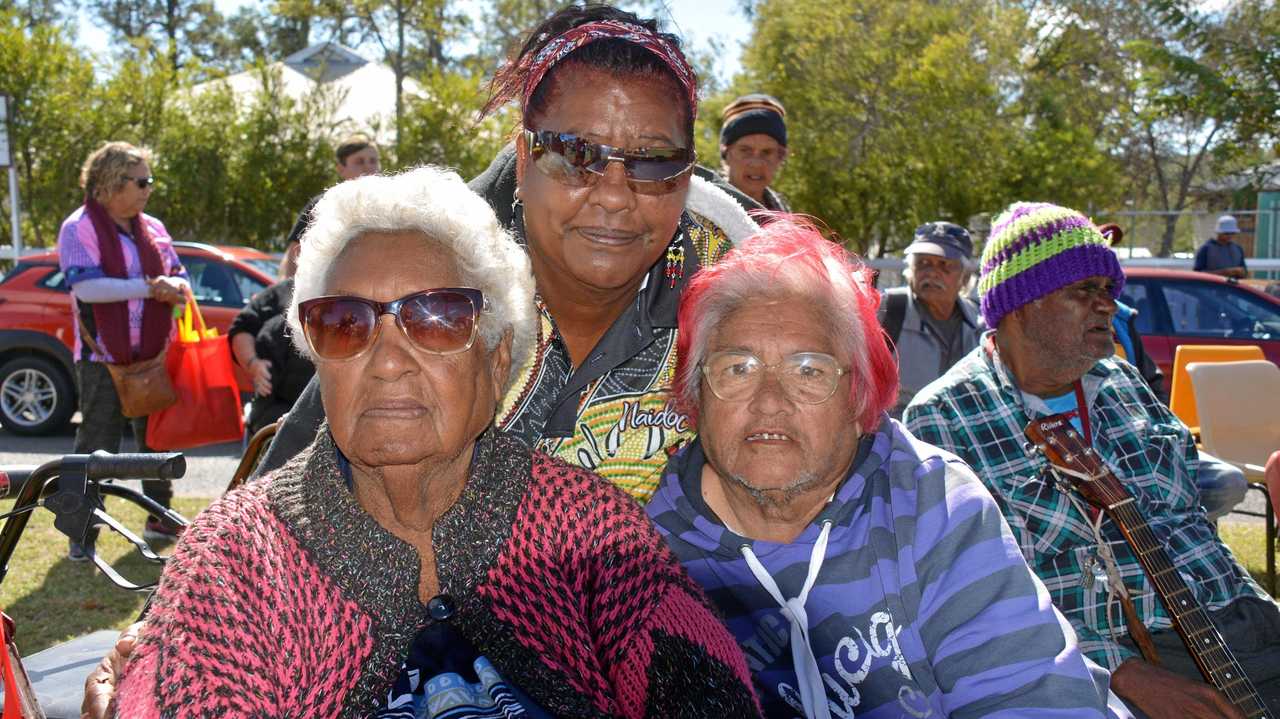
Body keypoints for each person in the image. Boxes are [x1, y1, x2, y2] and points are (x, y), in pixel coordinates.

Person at [112, 167, 760, 718]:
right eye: (345, 323)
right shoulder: (239, 555)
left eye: (439, 317)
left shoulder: (588, 529)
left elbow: (703, 679)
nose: (388, 360)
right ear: (319, 359)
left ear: (498, 355)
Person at [253, 4, 757, 503]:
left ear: (688, 173)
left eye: (653, 162)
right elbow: (280, 521)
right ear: (523, 160)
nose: (614, 195)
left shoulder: (746, 302)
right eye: (576, 154)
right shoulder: (424, 286)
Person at [644, 216, 1114, 718]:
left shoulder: (933, 503)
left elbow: (1031, 699)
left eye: (808, 371)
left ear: (858, 395)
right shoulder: (645, 558)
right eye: (738, 369)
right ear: (697, 393)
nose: (769, 403)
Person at [905, 202, 1280, 719]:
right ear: (1018, 305)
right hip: (1122, 658)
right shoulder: (945, 416)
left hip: (1240, 620)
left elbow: (1194, 527)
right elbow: (977, 598)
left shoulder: (1123, 384)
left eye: (1108, 289)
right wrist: (1123, 674)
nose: (1107, 305)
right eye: (1083, 291)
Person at [56, 141, 189, 560]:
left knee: (155, 441)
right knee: (96, 447)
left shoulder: (154, 227)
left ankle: (160, 517)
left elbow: (182, 281)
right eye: (142, 181)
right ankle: (82, 530)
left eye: (150, 180)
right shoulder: (78, 227)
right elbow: (87, 287)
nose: (149, 188)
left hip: (151, 356)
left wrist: (176, 288)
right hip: (101, 360)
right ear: (111, 183)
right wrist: (153, 288)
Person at [1099, 222, 1245, 521]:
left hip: (1143, 443)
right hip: (1094, 452)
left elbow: (1151, 387)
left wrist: (1157, 435)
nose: (1102, 291)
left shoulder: (1123, 321)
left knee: (1224, 482)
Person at [877, 221, 982, 417]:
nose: (932, 273)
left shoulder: (979, 324)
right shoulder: (886, 310)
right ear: (911, 269)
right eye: (923, 263)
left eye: (945, 265)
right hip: (897, 441)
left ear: (965, 277)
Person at [277, 133, 382, 279]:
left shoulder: (390, 206)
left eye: (373, 161)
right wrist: (288, 294)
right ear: (341, 169)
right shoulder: (321, 206)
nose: (369, 167)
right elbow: (294, 255)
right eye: (359, 161)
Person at [227, 273, 314, 435]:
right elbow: (241, 327)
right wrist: (253, 364)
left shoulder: (349, 294)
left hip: (326, 413)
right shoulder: (284, 291)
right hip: (274, 410)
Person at [718, 93, 791, 211]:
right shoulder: (697, 210)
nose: (756, 163)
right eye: (745, 150)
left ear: (780, 157)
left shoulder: (783, 214)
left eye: (767, 152)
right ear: (726, 153)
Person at [1194, 214, 1249, 279]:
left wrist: (1241, 272)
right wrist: (1224, 272)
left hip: (1232, 288)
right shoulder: (1206, 249)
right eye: (1226, 233)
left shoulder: (1238, 249)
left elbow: (1244, 272)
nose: (1230, 236)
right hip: (1212, 287)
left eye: (1232, 233)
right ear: (1219, 232)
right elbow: (1197, 274)